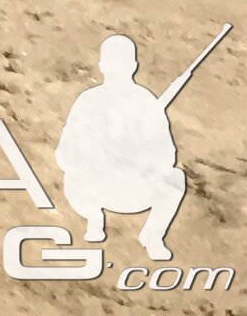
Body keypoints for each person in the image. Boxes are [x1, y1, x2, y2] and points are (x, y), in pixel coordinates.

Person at [55, 35, 190, 261]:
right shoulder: (89, 102)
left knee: (174, 178)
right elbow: (65, 154)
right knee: (73, 176)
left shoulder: (146, 103)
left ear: (101, 66)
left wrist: (138, 158)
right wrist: (98, 157)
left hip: (134, 189)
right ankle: (95, 220)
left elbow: (166, 156)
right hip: (96, 188)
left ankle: (152, 236)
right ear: (134, 66)